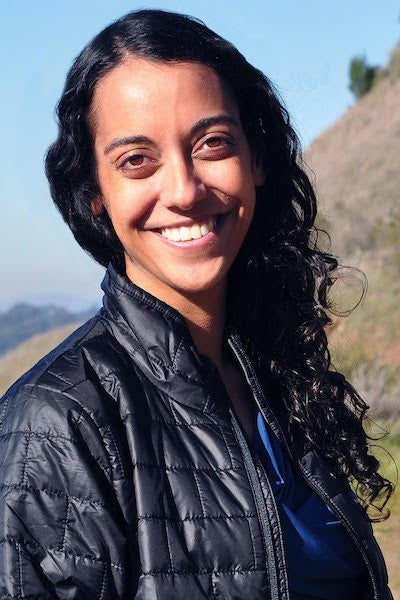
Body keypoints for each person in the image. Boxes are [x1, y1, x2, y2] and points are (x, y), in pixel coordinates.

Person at [0, 9, 393, 599]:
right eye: (137, 160)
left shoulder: (277, 372)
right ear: (94, 197)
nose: (184, 190)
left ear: (255, 160)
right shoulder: (55, 426)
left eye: (212, 143)